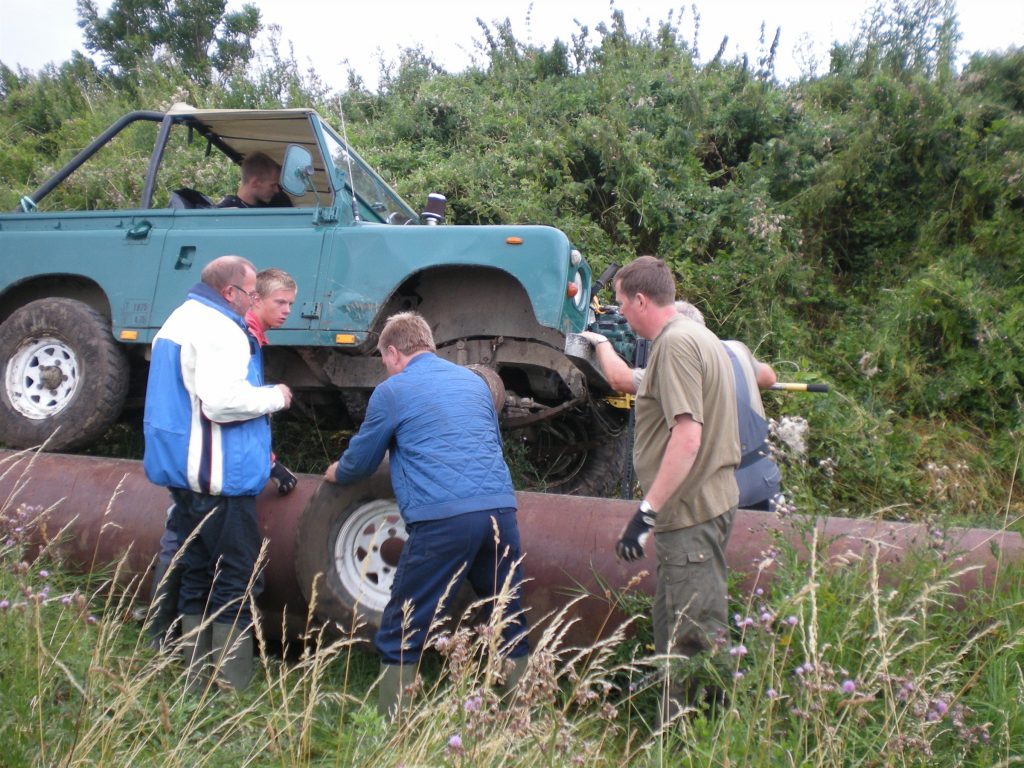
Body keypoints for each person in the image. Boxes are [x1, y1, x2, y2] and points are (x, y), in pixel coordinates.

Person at [323, 311, 530, 718]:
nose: (385, 366)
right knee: (506, 613)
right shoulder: (474, 383)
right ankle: (522, 717)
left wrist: (336, 472)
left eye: (384, 358)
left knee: (404, 622)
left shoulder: (392, 391)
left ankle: (390, 726)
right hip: (499, 512)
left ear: (395, 352)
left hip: (442, 519)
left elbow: (362, 462)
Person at [595, 255, 739, 719]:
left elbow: (688, 434)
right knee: (671, 622)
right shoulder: (700, 336)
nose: (620, 314)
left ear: (641, 299)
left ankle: (702, 735)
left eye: (621, 304)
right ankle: (672, 728)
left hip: (689, 512)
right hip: (703, 505)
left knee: (693, 633)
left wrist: (646, 512)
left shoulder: (675, 345)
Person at [143, 254, 292, 692]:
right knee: (236, 576)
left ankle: (193, 680)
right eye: (250, 293)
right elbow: (221, 403)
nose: (251, 304)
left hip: (182, 475)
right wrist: (275, 397)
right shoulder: (222, 328)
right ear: (231, 292)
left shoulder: (178, 318)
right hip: (219, 480)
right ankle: (232, 684)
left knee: (195, 571)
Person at [581, 300, 781, 510]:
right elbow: (768, 377)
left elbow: (619, 378)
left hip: (720, 494)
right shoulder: (737, 348)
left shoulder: (679, 364)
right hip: (764, 480)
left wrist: (601, 341)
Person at [246, 267, 299, 495]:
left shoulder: (252, 337)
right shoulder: (243, 337)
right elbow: (237, 406)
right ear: (256, 299)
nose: (287, 310)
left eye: (291, 304)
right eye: (280, 302)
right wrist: (269, 464)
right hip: (226, 476)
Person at [217, 152, 285, 208]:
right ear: (255, 183)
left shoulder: (277, 203)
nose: (277, 190)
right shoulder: (225, 213)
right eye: (273, 185)